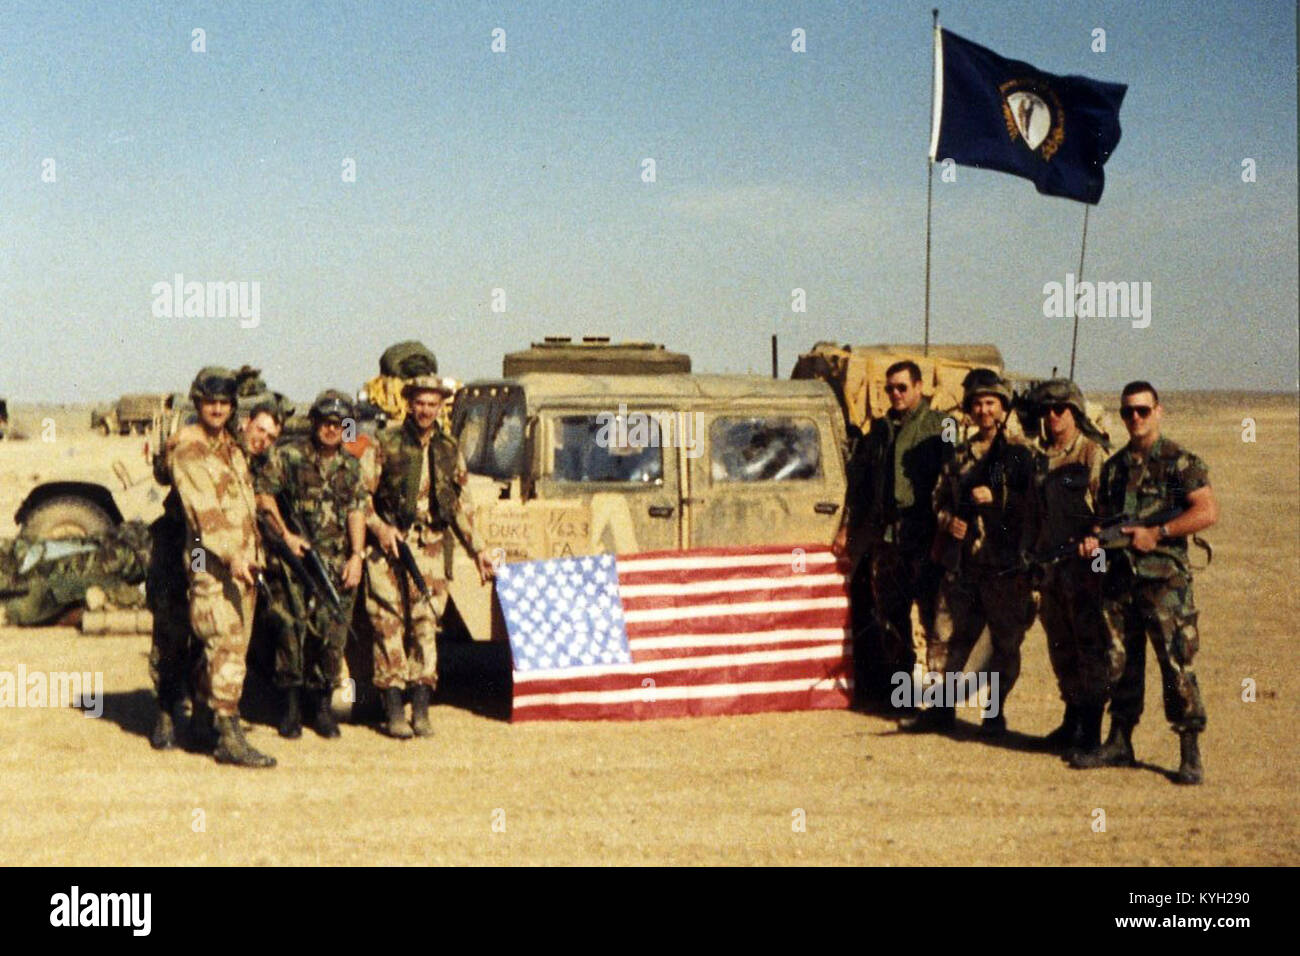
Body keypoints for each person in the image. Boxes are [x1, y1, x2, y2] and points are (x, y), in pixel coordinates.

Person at [1070, 382, 1218, 784]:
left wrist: (1161, 531)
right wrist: (1093, 544)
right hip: (1120, 581)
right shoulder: (1115, 467)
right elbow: (1104, 523)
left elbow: (1206, 511)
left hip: (1164, 582)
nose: (1134, 418)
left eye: (1142, 410)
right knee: (1119, 661)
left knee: (1176, 662)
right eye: (1127, 412)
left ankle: (1189, 751)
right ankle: (1120, 741)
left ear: (1158, 411)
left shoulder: (1179, 462)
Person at [147, 398, 282, 751]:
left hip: (209, 551)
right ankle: (165, 710)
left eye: (271, 437)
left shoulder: (236, 452)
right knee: (172, 633)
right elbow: (202, 512)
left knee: (214, 634)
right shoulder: (192, 444)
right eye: (260, 431)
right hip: (184, 542)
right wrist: (230, 552)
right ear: (246, 421)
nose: (263, 440)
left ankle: (204, 719)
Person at [364, 375, 494, 738]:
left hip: (432, 548)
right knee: (388, 624)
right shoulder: (384, 442)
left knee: (425, 625)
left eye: (432, 403)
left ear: (441, 407)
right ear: (409, 403)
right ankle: (393, 711)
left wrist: (479, 549)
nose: (425, 410)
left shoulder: (449, 448)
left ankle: (420, 710)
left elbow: (461, 507)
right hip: (389, 547)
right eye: (419, 402)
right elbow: (360, 498)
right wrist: (380, 529)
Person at [916, 370, 1037, 734]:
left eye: (991, 403)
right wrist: (949, 520)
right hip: (964, 565)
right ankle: (942, 708)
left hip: (1004, 566)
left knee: (1005, 642)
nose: (984, 411)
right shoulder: (960, 456)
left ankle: (994, 711)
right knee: (951, 637)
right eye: (978, 404)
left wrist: (999, 499)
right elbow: (938, 499)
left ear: (1002, 407)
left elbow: (1037, 506)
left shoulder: (1022, 454)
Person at [255, 390, 369, 740]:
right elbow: (264, 495)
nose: (332, 429)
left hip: (334, 563)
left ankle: (321, 706)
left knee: (332, 634)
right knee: (291, 630)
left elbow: (356, 510)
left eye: (338, 424)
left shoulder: (350, 465)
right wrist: (287, 535)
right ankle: (289, 707)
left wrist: (356, 555)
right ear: (315, 423)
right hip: (293, 562)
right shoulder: (288, 455)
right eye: (325, 422)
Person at [841, 360, 950, 708]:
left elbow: (956, 478)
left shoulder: (940, 426)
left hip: (927, 534)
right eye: (890, 389)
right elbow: (861, 483)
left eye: (902, 387)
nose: (896, 394)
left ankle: (940, 704)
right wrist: (850, 526)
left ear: (919, 387)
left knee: (935, 620)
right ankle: (901, 696)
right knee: (892, 617)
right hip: (890, 539)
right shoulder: (882, 430)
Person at [1027, 379, 1112, 755]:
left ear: (1075, 412)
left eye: (1060, 409)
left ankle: (1091, 731)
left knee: (1089, 648)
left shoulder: (1091, 454)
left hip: (1083, 571)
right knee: (1061, 647)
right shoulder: (1040, 459)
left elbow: (1108, 510)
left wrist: (1095, 537)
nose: (1052, 416)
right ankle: (1071, 719)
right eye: (1046, 409)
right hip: (1050, 569)